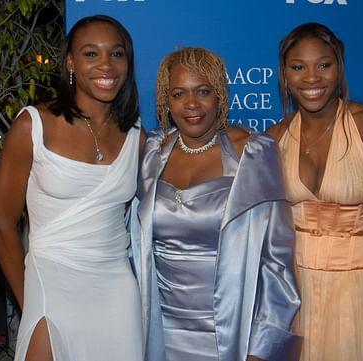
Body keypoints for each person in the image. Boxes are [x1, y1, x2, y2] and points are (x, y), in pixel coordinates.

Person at [129, 47, 301, 361]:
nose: (191, 105)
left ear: (220, 94)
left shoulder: (254, 153)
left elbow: (277, 262)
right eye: (179, 93)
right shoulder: (153, 153)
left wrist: (263, 348)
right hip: (159, 335)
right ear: (166, 101)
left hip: (231, 337)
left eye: (203, 91)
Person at [0, 15, 144, 361]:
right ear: (71, 62)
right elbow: (1, 225)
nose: (106, 65)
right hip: (50, 280)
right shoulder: (34, 125)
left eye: (116, 54)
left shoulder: (136, 134)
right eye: (92, 54)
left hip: (116, 289)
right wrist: (29, 301)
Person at [267, 23, 363, 361]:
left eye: (324, 65)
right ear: (285, 75)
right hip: (293, 300)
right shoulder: (274, 138)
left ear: (340, 68)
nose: (311, 78)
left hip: (358, 293)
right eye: (298, 67)